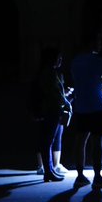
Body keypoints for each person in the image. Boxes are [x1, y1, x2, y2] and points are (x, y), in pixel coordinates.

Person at [69, 34, 102, 190]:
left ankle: (80, 175)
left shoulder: (75, 61)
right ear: (92, 44)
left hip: (81, 105)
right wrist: (95, 81)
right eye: (98, 42)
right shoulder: (99, 62)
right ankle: (97, 176)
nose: (100, 45)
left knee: (80, 141)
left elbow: (75, 81)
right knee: (97, 143)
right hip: (97, 106)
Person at [31, 47, 72, 182]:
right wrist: (66, 103)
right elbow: (55, 93)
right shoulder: (49, 73)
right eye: (58, 58)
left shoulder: (47, 72)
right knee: (47, 140)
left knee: (48, 140)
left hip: (49, 109)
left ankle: (50, 170)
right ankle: (48, 171)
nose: (61, 60)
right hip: (50, 109)